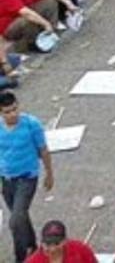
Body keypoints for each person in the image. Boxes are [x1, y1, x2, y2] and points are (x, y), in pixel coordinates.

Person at [0, 91, 53, 262]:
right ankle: (32, 245)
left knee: (15, 221)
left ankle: (21, 256)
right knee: (21, 216)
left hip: (27, 177)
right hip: (6, 179)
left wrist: (49, 174)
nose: (12, 114)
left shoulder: (31, 124)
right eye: (7, 112)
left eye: (15, 109)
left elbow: (43, 150)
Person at [23, 221, 95, 263]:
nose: (52, 249)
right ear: (42, 243)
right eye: (48, 244)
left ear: (65, 241)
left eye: (57, 244)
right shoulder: (34, 261)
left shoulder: (81, 249)